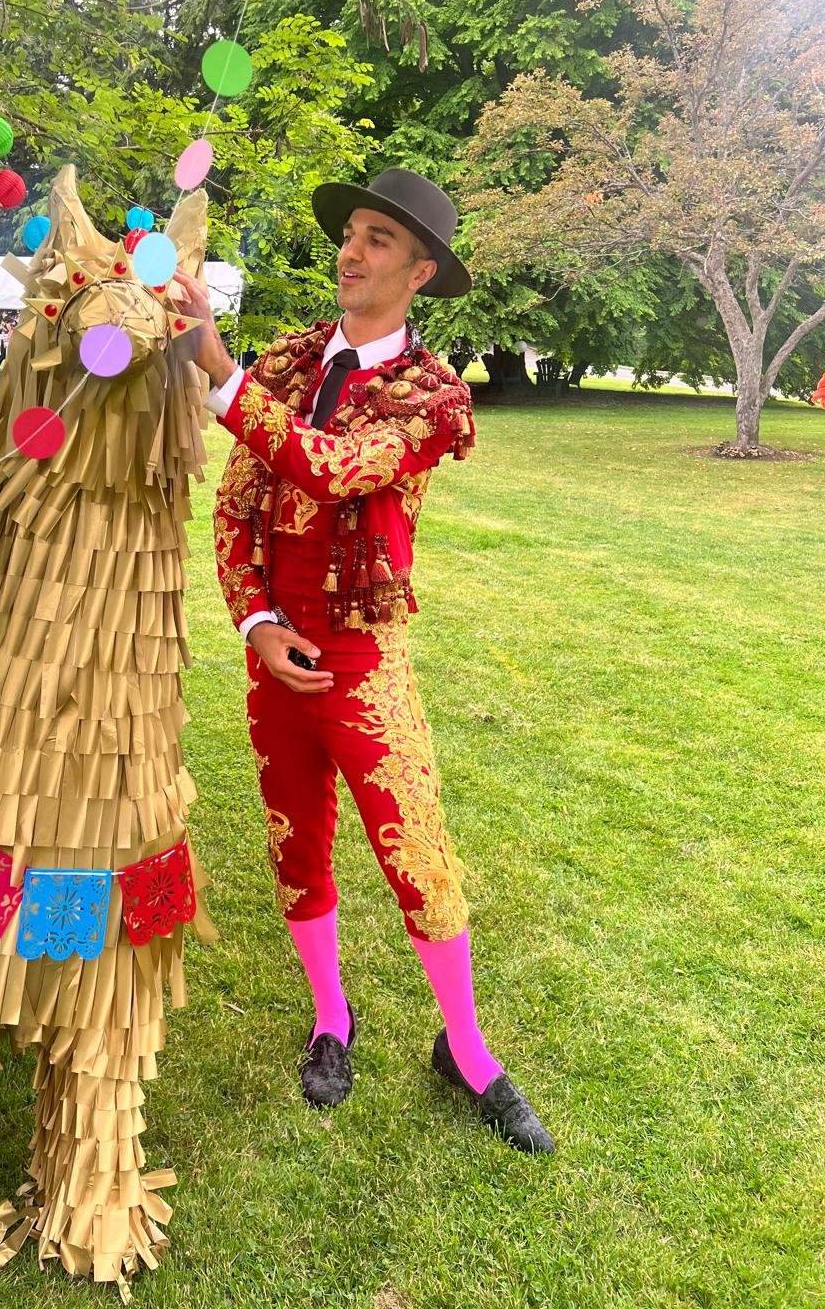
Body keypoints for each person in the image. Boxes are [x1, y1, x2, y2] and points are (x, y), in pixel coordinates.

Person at [171, 167, 553, 1153]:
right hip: (277, 658)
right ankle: (331, 1019)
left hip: (363, 661)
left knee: (417, 855)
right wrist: (254, 622)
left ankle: (466, 1053)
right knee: (296, 848)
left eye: (380, 238)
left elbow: (335, 468)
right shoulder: (292, 363)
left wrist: (218, 370)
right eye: (351, 232)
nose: (353, 249)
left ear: (422, 269)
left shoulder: (434, 394)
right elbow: (233, 509)